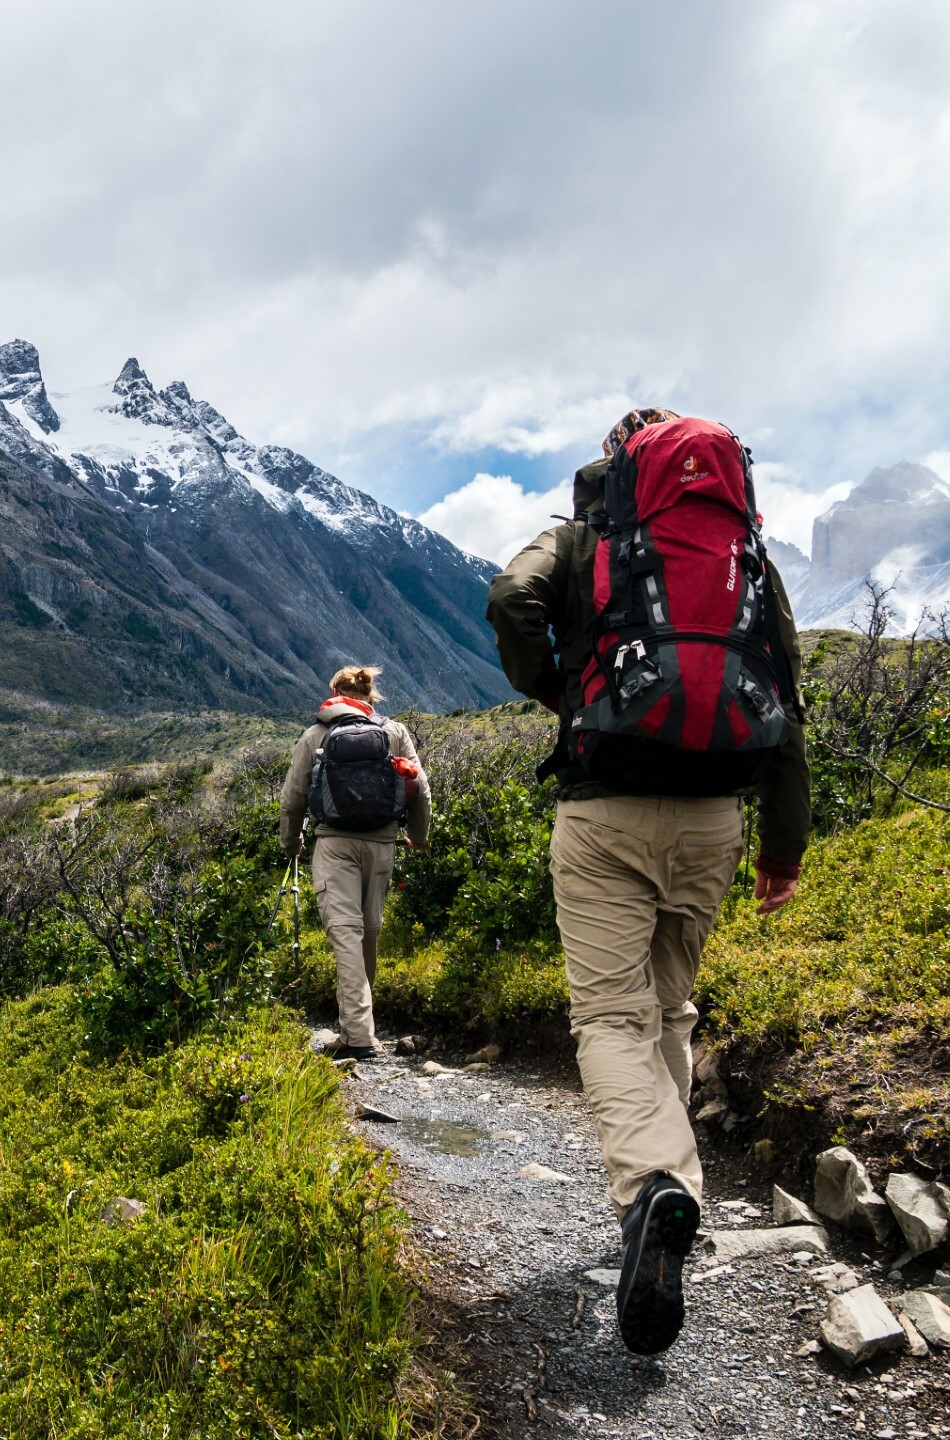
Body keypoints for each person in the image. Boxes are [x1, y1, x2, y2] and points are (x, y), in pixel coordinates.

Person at [486, 408, 809, 1356]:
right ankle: (671, 1198)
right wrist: (781, 851)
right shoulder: (745, 556)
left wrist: (556, 689)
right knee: (670, 1011)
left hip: (605, 809)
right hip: (715, 817)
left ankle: (653, 1190)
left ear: (619, 464)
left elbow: (511, 599)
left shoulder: (587, 537)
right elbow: (786, 695)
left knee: (609, 1019)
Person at [280, 665, 431, 1061]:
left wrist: (292, 842)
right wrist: (418, 836)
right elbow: (421, 789)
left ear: (334, 693)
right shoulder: (394, 732)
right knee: (369, 932)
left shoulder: (316, 735)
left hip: (334, 845)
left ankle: (359, 1036)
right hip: (382, 844)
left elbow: (293, 798)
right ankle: (359, 1027)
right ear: (370, 695)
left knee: (345, 933)